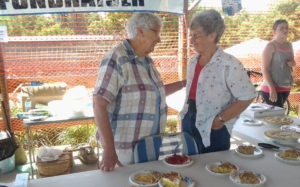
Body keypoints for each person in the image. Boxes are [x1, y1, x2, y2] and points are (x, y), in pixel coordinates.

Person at [93, 12, 184, 171]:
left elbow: (156, 92)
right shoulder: (117, 58)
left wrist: (184, 83)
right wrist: (109, 149)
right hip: (125, 149)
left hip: (150, 144)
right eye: (156, 32)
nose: (159, 39)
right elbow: (98, 103)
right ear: (141, 31)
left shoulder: (146, 61)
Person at [180, 9, 256, 154]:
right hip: (189, 119)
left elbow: (247, 96)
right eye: (191, 35)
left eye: (196, 36)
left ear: (212, 36)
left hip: (213, 124)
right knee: (188, 165)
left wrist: (219, 120)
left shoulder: (229, 64)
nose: (191, 40)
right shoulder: (192, 61)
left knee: (214, 169)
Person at [261, 19, 296, 108]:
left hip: (286, 87)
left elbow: (292, 62)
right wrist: (272, 89)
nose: (285, 30)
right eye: (281, 28)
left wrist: (293, 63)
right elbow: (264, 69)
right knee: (277, 118)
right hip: (272, 88)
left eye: (286, 28)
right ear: (274, 32)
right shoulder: (270, 46)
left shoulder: (289, 45)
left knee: (277, 118)